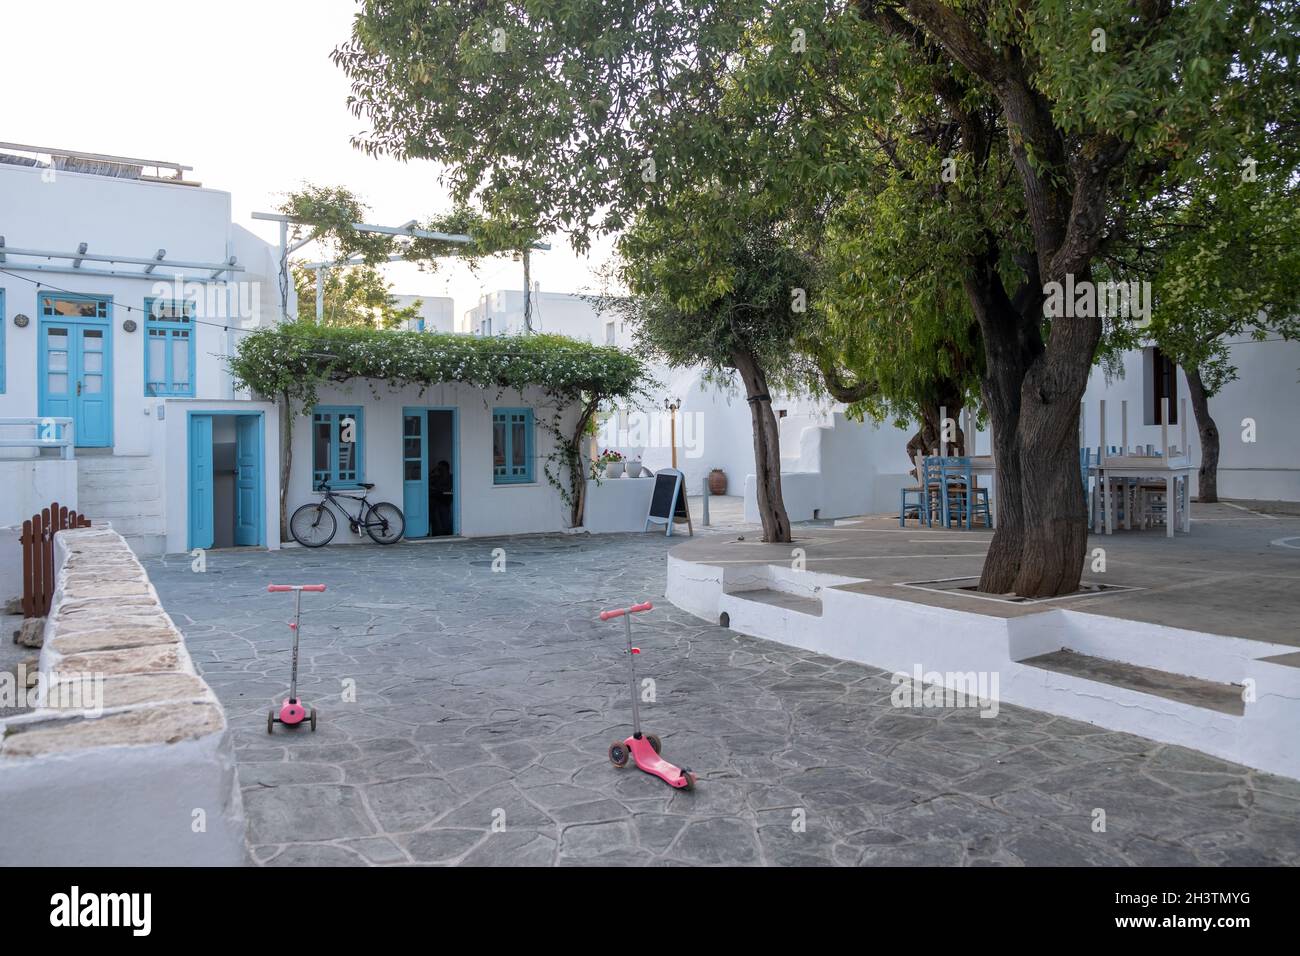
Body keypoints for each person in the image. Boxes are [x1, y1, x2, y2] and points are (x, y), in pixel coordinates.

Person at [431, 460, 453, 535]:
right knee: (436, 515)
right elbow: (427, 480)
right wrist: (433, 471)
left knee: (444, 516)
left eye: (441, 468)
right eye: (439, 468)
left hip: (445, 499)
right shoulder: (437, 476)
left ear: (446, 468)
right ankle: (438, 531)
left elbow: (448, 488)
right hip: (437, 499)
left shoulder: (450, 477)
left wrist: (437, 489)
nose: (440, 470)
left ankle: (445, 531)